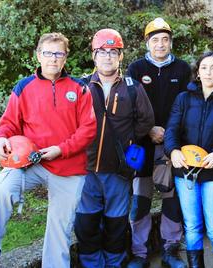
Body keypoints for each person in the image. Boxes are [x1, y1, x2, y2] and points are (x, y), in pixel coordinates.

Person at [0, 33, 97, 268]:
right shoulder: (24, 87)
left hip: (68, 167)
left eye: (58, 53)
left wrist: (61, 149)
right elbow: (8, 124)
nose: (53, 58)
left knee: (60, 227)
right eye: (48, 53)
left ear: (65, 58)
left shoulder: (79, 88)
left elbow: (88, 129)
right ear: (39, 55)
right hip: (30, 162)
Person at [74, 29, 154, 268]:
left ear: (120, 56)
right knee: (86, 223)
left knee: (116, 223)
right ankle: (92, 264)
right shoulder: (81, 87)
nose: (107, 57)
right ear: (93, 55)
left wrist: (128, 140)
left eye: (113, 52)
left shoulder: (133, 87)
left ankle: (114, 263)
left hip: (119, 170)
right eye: (102, 52)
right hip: (86, 170)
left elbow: (146, 121)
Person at [164, 51, 213, 268]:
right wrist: (173, 151)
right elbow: (171, 130)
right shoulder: (184, 98)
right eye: (204, 67)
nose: (208, 72)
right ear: (197, 72)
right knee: (192, 226)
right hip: (186, 170)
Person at [126, 17, 191, 268]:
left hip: (171, 147)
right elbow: (129, 106)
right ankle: (139, 253)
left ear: (171, 42)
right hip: (141, 146)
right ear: (147, 43)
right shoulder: (136, 69)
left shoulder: (183, 69)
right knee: (140, 199)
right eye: (155, 40)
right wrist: (148, 129)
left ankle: (170, 250)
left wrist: (170, 134)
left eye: (165, 39)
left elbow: (187, 106)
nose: (161, 44)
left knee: (170, 198)